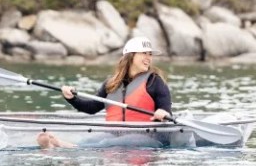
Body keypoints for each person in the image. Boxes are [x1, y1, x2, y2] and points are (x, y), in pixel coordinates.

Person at [37, 36, 172, 148]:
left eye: (150, 54)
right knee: (88, 141)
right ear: (131, 56)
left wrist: (163, 113)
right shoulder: (111, 84)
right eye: (144, 53)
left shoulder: (155, 82)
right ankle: (59, 147)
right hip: (115, 134)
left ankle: (62, 146)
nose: (149, 57)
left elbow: (166, 112)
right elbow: (91, 108)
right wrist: (71, 98)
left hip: (148, 137)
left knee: (109, 144)